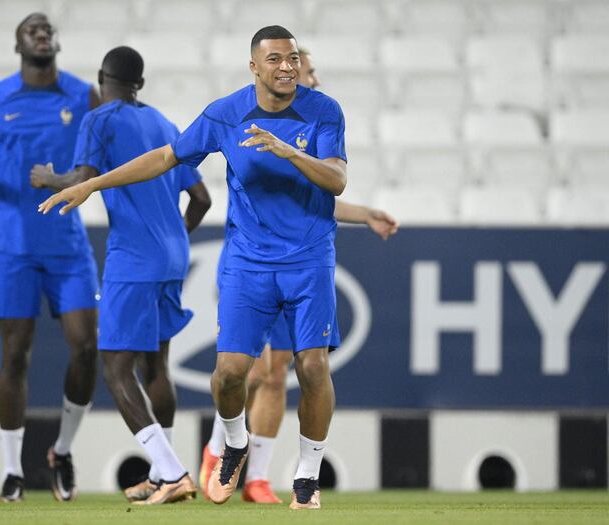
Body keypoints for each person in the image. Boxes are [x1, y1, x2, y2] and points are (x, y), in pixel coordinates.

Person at [39, 25, 348, 510]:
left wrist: (291, 151)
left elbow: (337, 179)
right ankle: (234, 443)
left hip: (309, 258)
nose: (287, 67)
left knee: (312, 365)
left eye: (292, 58)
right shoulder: (225, 115)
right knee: (228, 376)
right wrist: (92, 185)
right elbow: (166, 157)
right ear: (254, 66)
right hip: (248, 262)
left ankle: (307, 477)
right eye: (275, 59)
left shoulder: (324, 111)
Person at [198, 45, 400, 505]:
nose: (310, 77)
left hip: (302, 261)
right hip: (253, 262)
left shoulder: (318, 122)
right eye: (307, 70)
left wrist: (364, 213)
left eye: (305, 68)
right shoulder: (252, 121)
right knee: (250, 369)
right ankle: (223, 446)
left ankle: (260, 476)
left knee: (282, 372)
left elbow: (319, 193)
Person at [31, 46, 212, 505]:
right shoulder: (163, 123)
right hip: (173, 258)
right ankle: (159, 473)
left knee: (114, 369)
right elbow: (202, 199)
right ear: (140, 84)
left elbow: (84, 178)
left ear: (100, 79)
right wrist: (175, 238)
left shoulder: (99, 119)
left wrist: (49, 180)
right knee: (157, 366)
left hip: (133, 259)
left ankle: (172, 473)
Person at [0, 13, 101, 503]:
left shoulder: (83, 96)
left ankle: (63, 451)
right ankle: (11, 471)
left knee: (87, 348)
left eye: (47, 28)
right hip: (12, 245)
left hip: (67, 244)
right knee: (14, 353)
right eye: (33, 29)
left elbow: (95, 167)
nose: (42, 33)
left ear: (56, 41)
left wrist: (59, 180)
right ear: (17, 44)